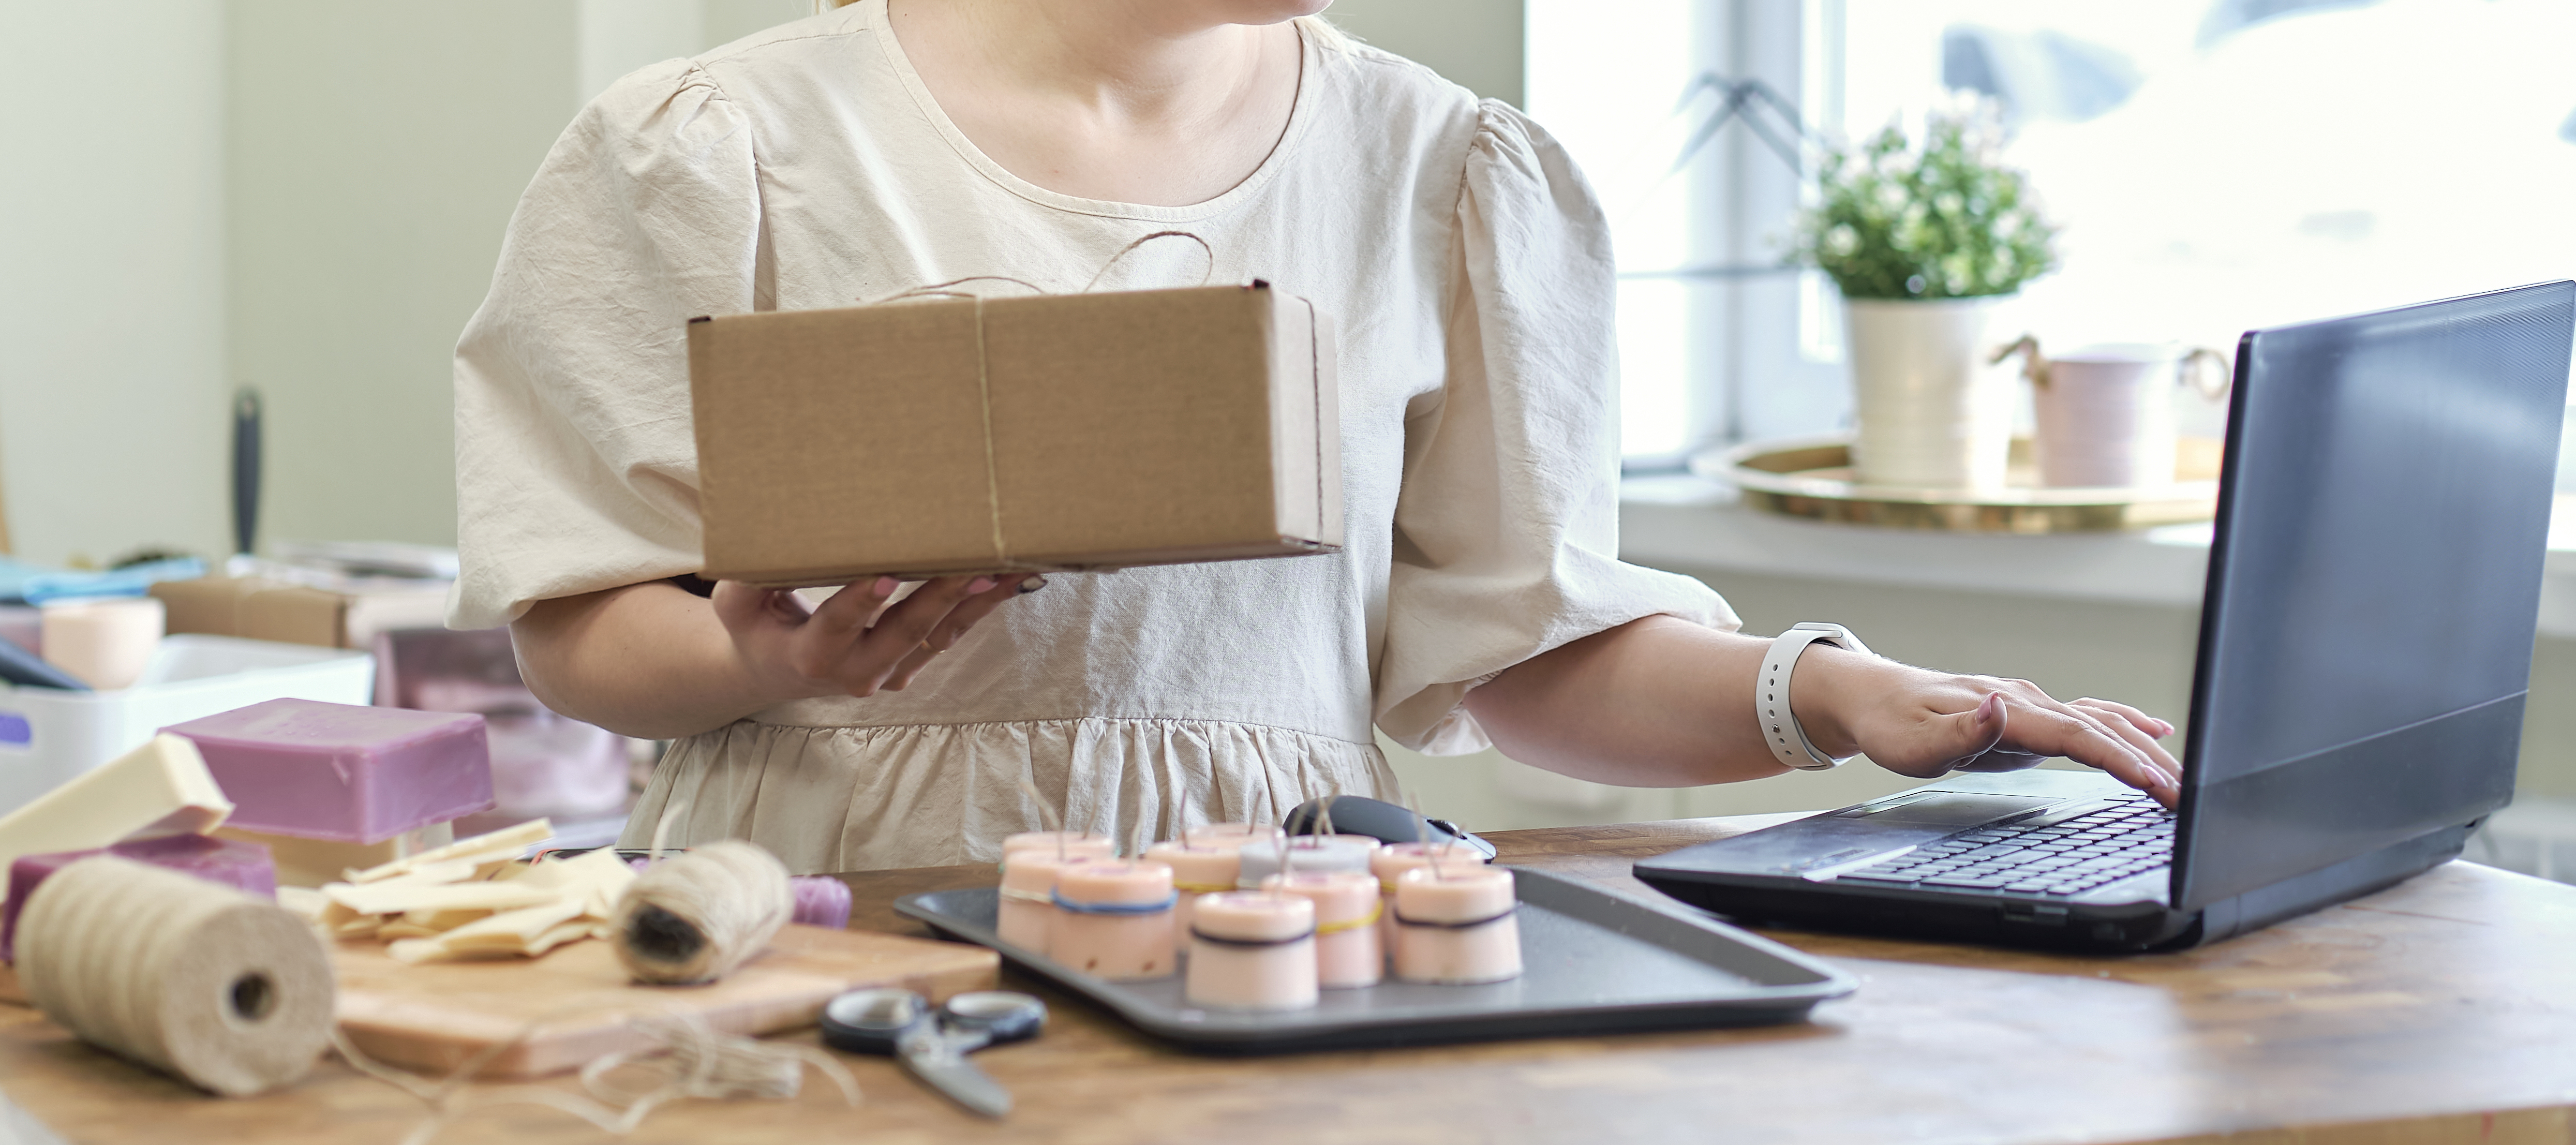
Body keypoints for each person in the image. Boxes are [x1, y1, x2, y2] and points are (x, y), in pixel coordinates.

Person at [454, 0, 2181, 874]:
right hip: (831, 930)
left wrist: (1833, 697)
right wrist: (758, 657)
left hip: (1285, 933)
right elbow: (580, 633)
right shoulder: (715, 145)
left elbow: (1524, 660)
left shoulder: (1444, 168)